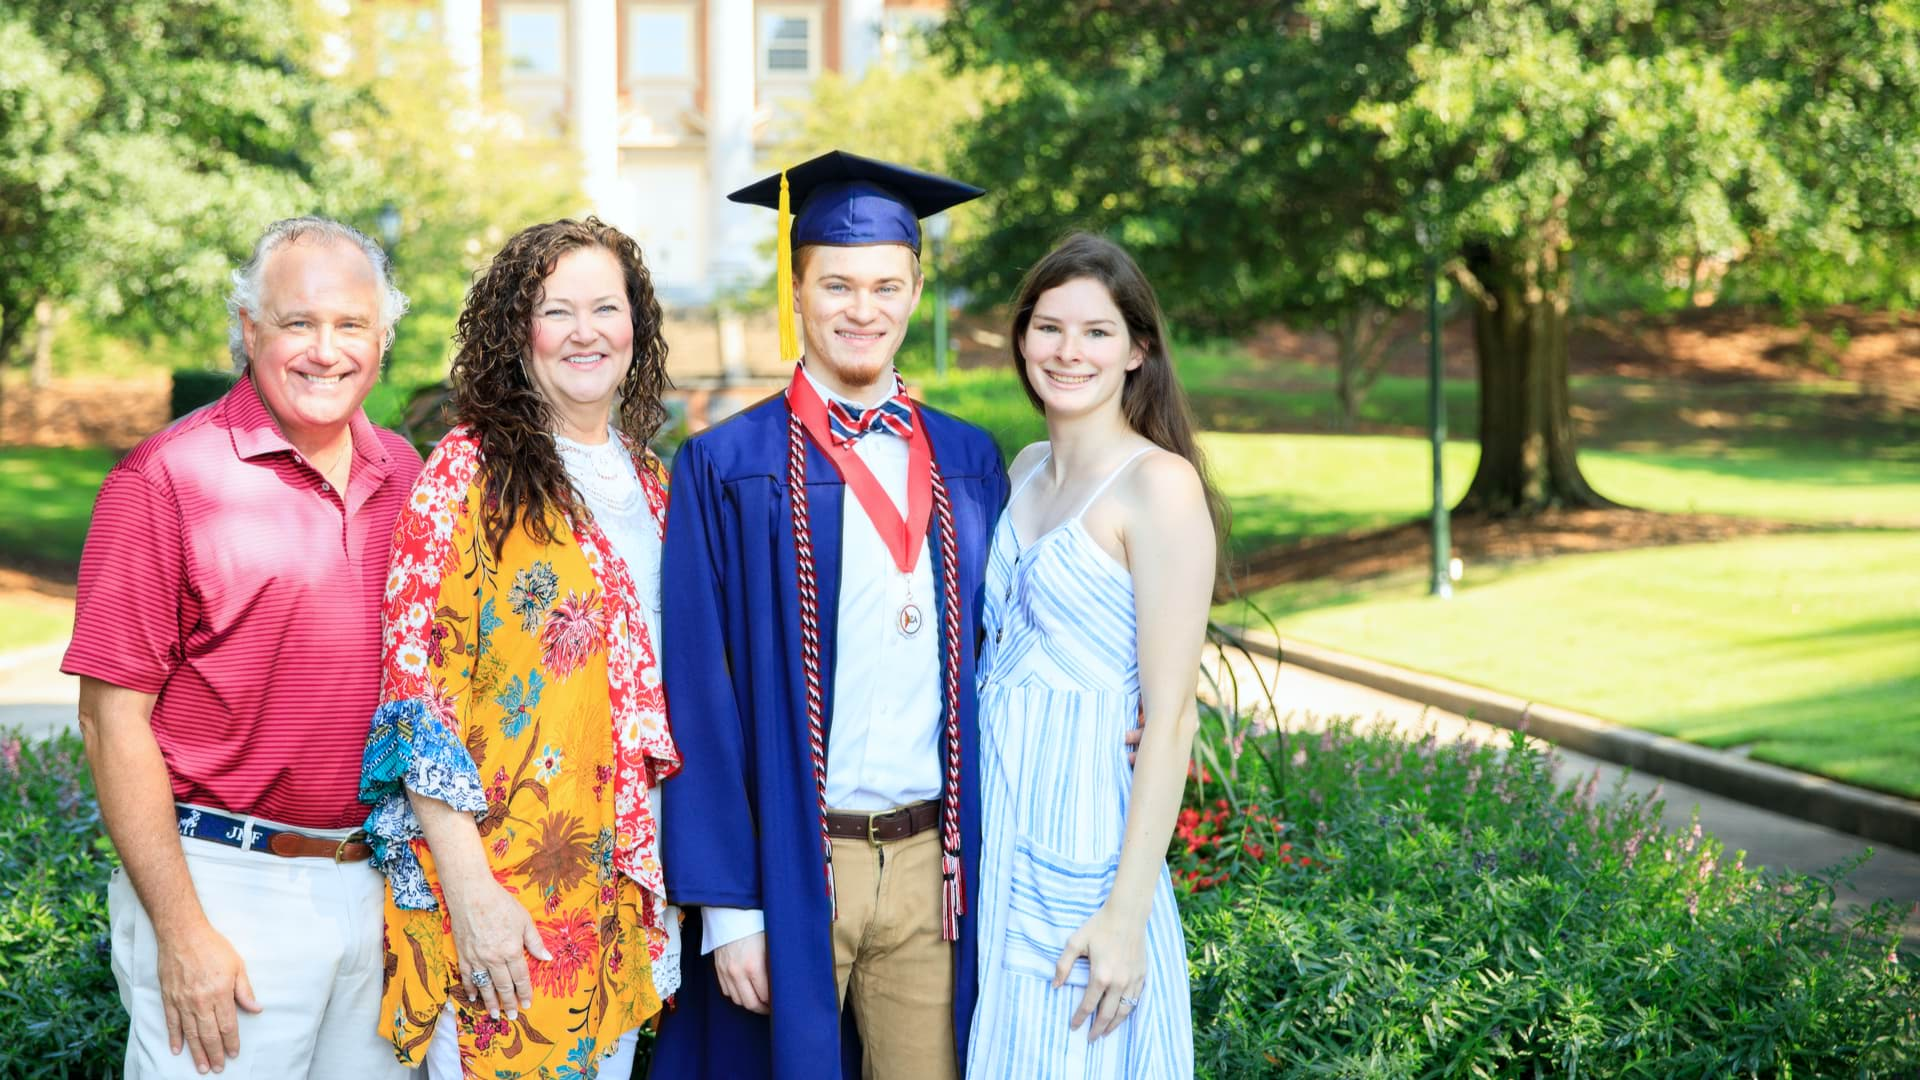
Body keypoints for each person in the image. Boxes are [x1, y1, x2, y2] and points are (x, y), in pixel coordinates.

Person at [651, 151, 1008, 1079]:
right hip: (795, 868)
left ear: (916, 289)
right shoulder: (727, 465)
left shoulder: (969, 461)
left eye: (887, 285)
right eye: (838, 284)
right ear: (797, 290)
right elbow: (699, 694)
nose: (864, 308)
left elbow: (1008, 646)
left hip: (934, 865)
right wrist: (731, 910)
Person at [63, 216, 421, 1078]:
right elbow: (113, 723)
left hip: (377, 885)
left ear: (383, 340)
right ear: (249, 330)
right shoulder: (166, 479)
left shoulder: (410, 474)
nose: (325, 350)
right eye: (297, 323)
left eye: (351, 326)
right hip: (227, 886)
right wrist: (183, 932)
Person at [356, 218, 681, 1078]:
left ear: (636, 326)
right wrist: (469, 894)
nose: (585, 332)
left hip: (611, 892)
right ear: (515, 330)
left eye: (605, 308)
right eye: (556, 310)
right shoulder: (466, 473)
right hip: (506, 891)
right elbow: (412, 693)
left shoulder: (652, 482)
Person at [966, 233, 1222, 1078]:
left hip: (1088, 837)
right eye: (1049, 327)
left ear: (1139, 350)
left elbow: (1172, 715)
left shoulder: (1159, 486)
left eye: (1098, 331)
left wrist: (1125, 914)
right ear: (1022, 338)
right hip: (1001, 828)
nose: (1069, 351)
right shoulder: (1025, 467)